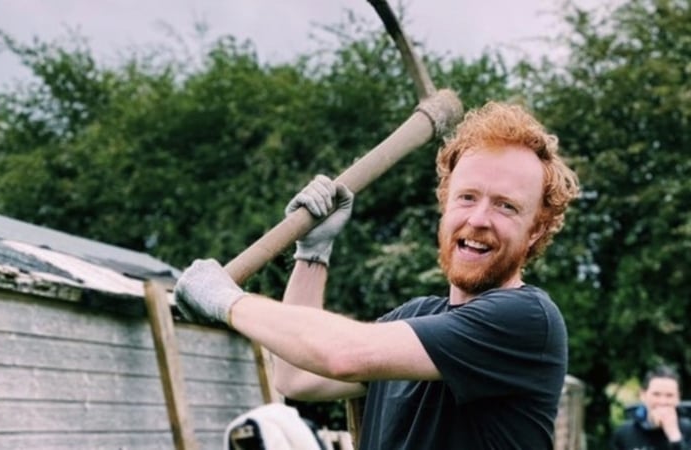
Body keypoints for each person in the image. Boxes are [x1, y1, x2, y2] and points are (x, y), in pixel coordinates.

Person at [175, 101, 581, 449]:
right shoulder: (415, 317)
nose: (478, 219)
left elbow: (345, 354)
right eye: (467, 197)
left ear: (537, 230)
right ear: (445, 203)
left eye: (506, 206)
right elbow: (295, 376)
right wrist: (313, 254)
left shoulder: (526, 321)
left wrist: (225, 300)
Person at [611, 365, 691, 450]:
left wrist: (674, 436)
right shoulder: (624, 433)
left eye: (669, 395)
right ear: (643, 395)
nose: (662, 402)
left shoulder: (687, 430)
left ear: (678, 398)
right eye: (656, 394)